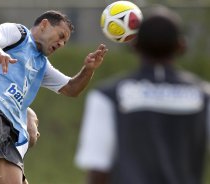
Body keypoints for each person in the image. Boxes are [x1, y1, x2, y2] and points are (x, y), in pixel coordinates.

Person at [0, 10, 108, 184]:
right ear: (44, 24)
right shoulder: (18, 34)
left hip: (12, 129)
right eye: (61, 35)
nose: (62, 43)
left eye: (65, 41)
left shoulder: (41, 64)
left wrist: (89, 69)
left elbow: (71, 88)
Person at [75, 5, 210, 184]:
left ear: (134, 45)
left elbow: (98, 171)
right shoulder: (203, 96)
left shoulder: (108, 96)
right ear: (181, 46)